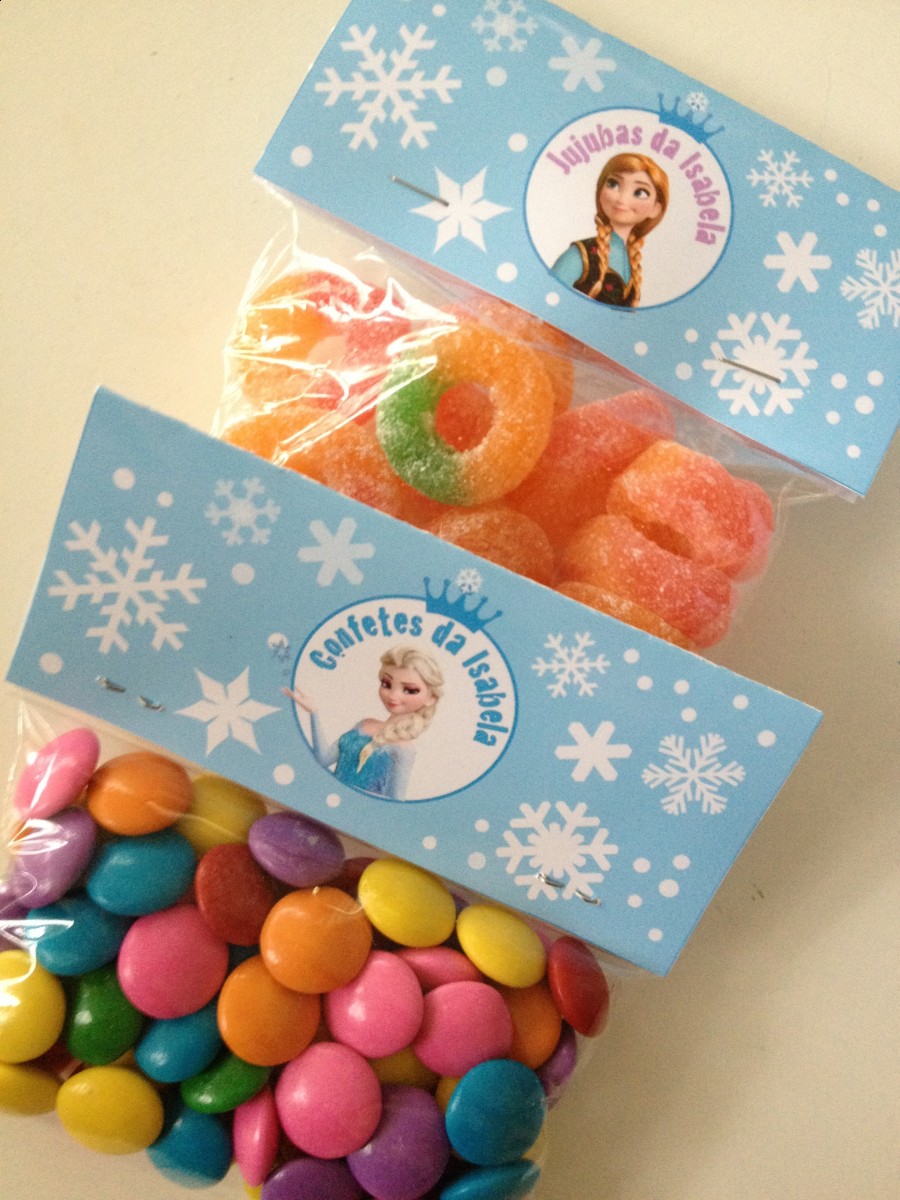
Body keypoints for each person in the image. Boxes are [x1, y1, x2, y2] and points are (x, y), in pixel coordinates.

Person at [284, 644, 444, 800]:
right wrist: (313, 713)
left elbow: (394, 801)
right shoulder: (365, 724)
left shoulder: (404, 750)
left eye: (409, 690)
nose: (393, 696)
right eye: (387, 684)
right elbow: (323, 759)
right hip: (328, 801)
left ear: (431, 698)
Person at [551, 153, 669, 308]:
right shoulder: (581, 254)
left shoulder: (632, 263)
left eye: (640, 192)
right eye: (613, 184)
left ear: (655, 209)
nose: (622, 199)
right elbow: (547, 299)